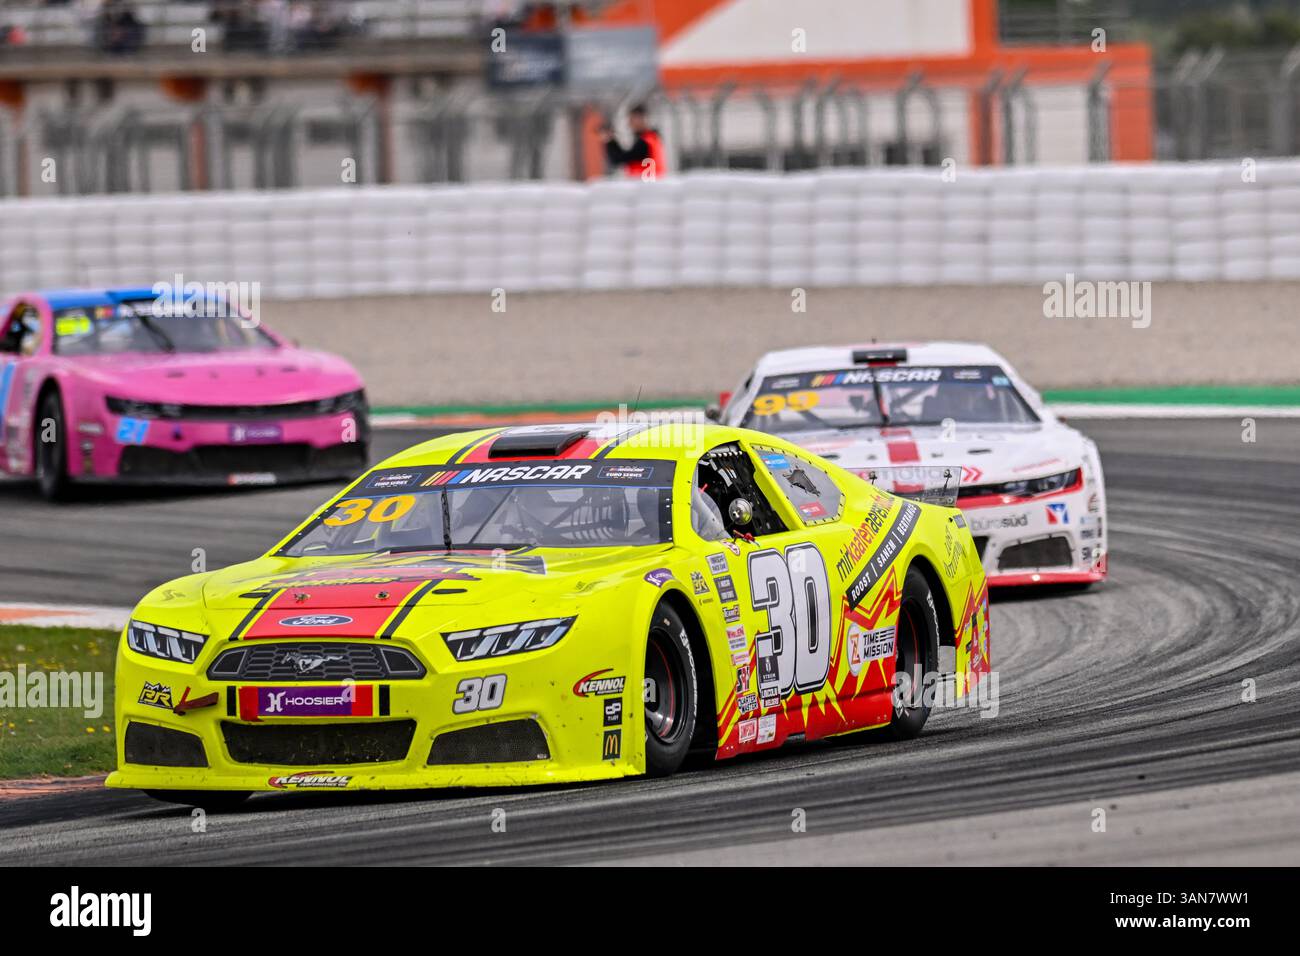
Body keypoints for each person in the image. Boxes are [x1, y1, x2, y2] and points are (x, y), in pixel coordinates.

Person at [600, 104, 666, 180]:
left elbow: (621, 158)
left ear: (640, 119)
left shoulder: (646, 142)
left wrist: (610, 141)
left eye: (631, 119)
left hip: (646, 184)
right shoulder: (652, 138)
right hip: (650, 183)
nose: (629, 124)